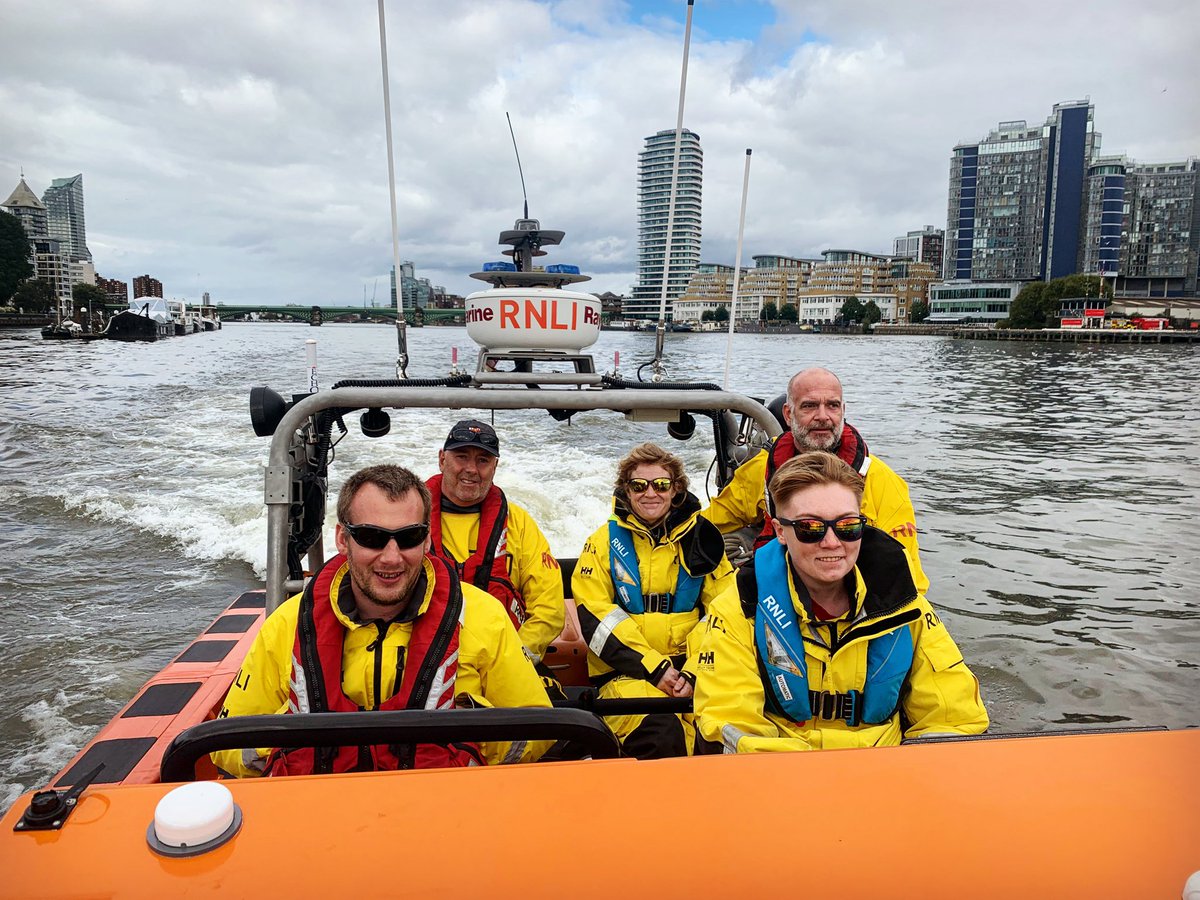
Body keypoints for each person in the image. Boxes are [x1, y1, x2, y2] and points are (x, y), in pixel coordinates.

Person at [212, 464, 551, 777]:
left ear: (428, 540)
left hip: (448, 808)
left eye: (409, 537)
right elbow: (227, 747)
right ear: (343, 539)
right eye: (372, 538)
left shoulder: (484, 616)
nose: (392, 557)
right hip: (320, 811)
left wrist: (467, 732)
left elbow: (538, 732)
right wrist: (291, 736)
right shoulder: (288, 623)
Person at [693, 451, 988, 753]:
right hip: (781, 774)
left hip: (888, 772)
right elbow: (731, 720)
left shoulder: (908, 607)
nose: (832, 542)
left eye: (847, 526)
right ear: (781, 531)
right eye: (810, 528)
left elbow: (954, 718)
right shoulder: (740, 608)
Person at [702, 366, 929, 595]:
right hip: (775, 593)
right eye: (809, 406)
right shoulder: (762, 469)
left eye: (832, 405)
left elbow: (907, 577)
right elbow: (709, 521)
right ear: (789, 415)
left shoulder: (883, 482)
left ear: (843, 411)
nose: (822, 416)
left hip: (856, 602)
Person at [572, 443, 734, 758]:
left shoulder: (705, 542)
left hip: (696, 674)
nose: (650, 494)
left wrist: (693, 672)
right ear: (626, 491)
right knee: (663, 732)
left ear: (676, 490)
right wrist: (655, 669)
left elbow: (725, 614)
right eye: (638, 485)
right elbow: (597, 618)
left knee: (723, 738)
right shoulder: (600, 543)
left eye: (661, 485)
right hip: (625, 677)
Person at [426, 419, 566, 667]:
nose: (471, 469)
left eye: (483, 460)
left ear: (495, 467)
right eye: (461, 457)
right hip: (427, 660)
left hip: (505, 659)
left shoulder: (519, 523)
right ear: (442, 460)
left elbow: (549, 610)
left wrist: (511, 661)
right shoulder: (409, 519)